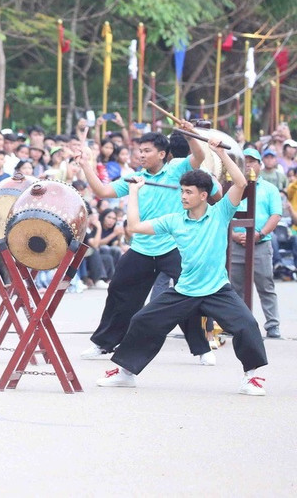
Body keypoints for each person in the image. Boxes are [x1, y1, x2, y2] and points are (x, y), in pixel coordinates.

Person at [97, 141, 269, 396]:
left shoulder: (220, 213)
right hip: (185, 290)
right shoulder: (174, 221)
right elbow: (133, 227)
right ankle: (126, 373)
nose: (183, 196)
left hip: (216, 289)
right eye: (182, 191)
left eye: (189, 192)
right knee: (142, 320)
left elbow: (241, 183)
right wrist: (133, 192)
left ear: (203, 195)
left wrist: (221, 153)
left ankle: (251, 377)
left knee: (247, 325)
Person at [77, 127, 213, 363]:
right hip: (141, 248)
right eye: (140, 150)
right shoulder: (134, 178)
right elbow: (102, 191)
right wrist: (86, 165)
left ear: (162, 154)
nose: (141, 155)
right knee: (118, 290)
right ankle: (104, 343)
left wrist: (190, 135)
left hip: (173, 246)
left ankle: (202, 349)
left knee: (188, 293)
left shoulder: (176, 169)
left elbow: (199, 156)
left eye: (147, 151)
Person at [229, 148, 282, 339]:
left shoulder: (269, 189)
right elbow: (223, 212)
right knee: (234, 287)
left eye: (252, 161)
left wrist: (259, 234)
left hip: (260, 244)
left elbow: (275, 215)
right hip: (236, 244)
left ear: (260, 165)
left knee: (265, 285)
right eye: (245, 161)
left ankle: (272, 325)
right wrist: (233, 235)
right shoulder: (232, 187)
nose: (248, 165)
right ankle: (236, 324)